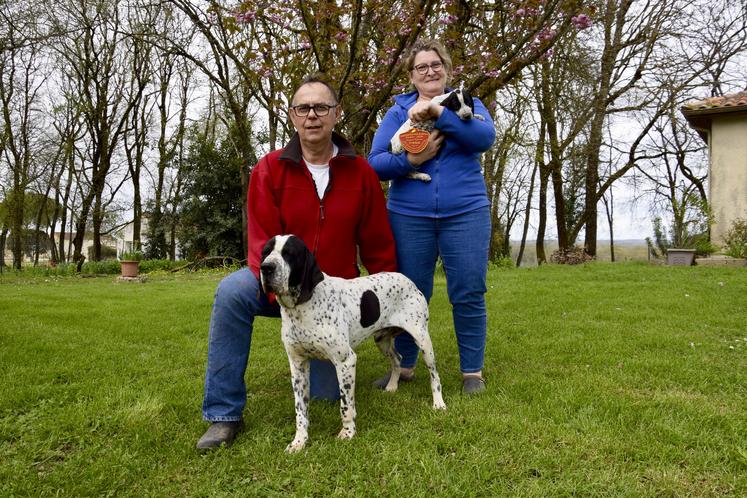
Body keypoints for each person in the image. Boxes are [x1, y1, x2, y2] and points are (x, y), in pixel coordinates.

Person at [197, 75, 397, 450]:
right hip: (278, 290)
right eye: (303, 108)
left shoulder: (362, 173)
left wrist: (388, 307)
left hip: (329, 297)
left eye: (321, 107)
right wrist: (282, 295)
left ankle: (328, 370)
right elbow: (262, 243)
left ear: (336, 114)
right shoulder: (269, 169)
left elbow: (378, 244)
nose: (312, 116)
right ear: (292, 116)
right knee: (230, 292)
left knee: (324, 395)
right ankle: (223, 416)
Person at [368, 39, 496, 395]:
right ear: (411, 75)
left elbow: (484, 136)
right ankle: (405, 366)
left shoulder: (465, 102)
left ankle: (472, 372)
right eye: (421, 67)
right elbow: (375, 163)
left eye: (436, 64)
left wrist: (441, 115)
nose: (430, 71)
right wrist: (411, 161)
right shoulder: (398, 112)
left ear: (447, 69)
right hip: (410, 216)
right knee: (409, 293)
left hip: (466, 212)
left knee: (469, 290)